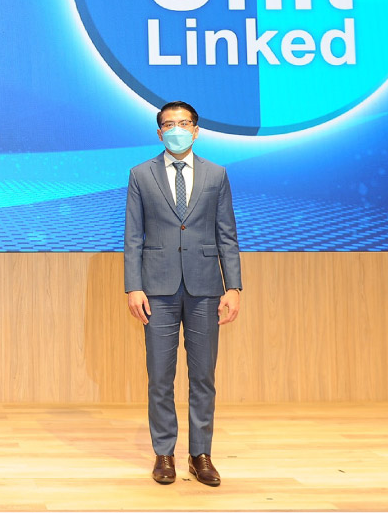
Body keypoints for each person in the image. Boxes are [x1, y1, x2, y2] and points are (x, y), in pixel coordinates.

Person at [124, 101, 241, 487]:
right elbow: (133, 237)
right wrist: (133, 286)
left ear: (196, 129)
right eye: (169, 124)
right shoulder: (140, 174)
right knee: (160, 375)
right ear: (159, 132)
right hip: (156, 288)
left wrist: (234, 286)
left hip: (206, 287)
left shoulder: (217, 174)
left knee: (203, 375)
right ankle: (164, 454)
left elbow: (227, 234)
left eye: (184, 123)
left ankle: (200, 455)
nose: (177, 130)